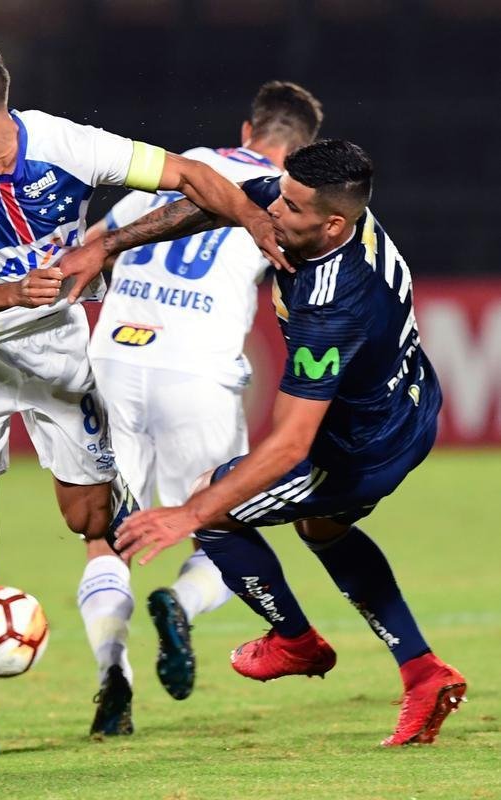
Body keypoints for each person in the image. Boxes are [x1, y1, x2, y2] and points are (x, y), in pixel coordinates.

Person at [0, 33, 284, 761]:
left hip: (61, 352)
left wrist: (257, 223)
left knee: (94, 519)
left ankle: (115, 672)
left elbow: (188, 176)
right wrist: (17, 290)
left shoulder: (68, 144)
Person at [65, 139, 467, 747]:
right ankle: (422, 671)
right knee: (322, 528)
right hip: (411, 408)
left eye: (291, 208)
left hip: (355, 450)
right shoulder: (323, 213)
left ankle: (296, 643)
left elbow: (289, 444)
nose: (274, 210)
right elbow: (220, 204)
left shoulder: (332, 305)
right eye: (279, 194)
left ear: (332, 223)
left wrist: (190, 514)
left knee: (215, 503)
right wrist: (105, 244)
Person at [86, 82, 323, 701]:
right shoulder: (288, 200)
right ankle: (181, 608)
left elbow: (96, 245)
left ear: (249, 130)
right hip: (196, 368)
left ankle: (113, 673)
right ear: (303, 151)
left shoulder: (186, 164)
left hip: (112, 354)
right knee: (219, 523)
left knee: (108, 533)